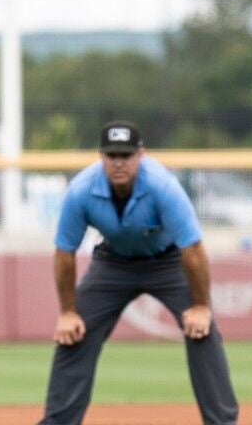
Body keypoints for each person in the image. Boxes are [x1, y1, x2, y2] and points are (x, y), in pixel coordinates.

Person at [39, 121, 238, 425]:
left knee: (202, 330)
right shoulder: (81, 190)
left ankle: (223, 423)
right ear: (101, 157)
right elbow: (64, 252)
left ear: (140, 154)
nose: (119, 162)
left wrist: (200, 307)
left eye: (126, 155)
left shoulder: (162, 186)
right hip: (112, 263)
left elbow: (193, 248)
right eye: (112, 155)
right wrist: (67, 312)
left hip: (168, 262)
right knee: (74, 332)